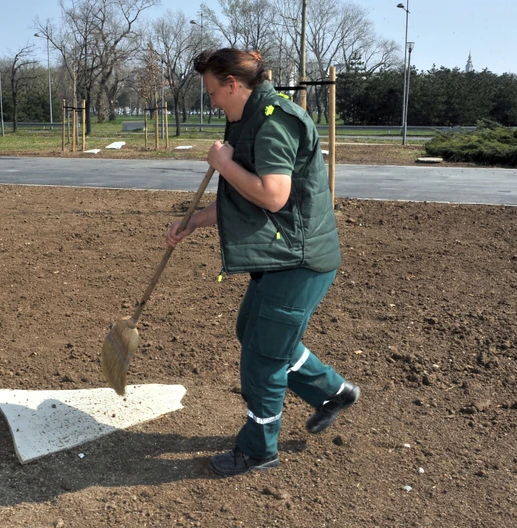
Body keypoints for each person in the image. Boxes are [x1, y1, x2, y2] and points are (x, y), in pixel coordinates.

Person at [166, 48, 360, 477]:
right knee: (251, 332)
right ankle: (333, 392)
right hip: (282, 254)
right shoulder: (247, 119)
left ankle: (258, 450)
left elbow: (273, 194)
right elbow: (245, 195)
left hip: (301, 259)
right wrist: (195, 221)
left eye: (214, 91)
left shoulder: (275, 121)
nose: (212, 100)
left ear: (233, 84)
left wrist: (223, 163)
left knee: (262, 357)